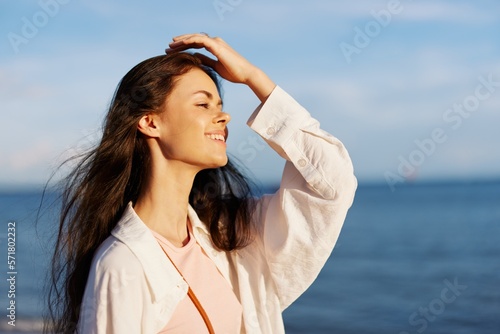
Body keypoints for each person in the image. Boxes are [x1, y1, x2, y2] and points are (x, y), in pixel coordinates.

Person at [45, 33, 357, 333]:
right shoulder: (122, 265)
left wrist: (252, 77)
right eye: (202, 104)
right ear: (150, 122)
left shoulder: (228, 236)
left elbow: (333, 182)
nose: (224, 117)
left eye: (220, 106)